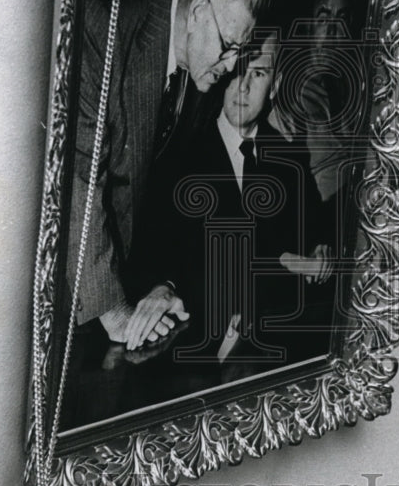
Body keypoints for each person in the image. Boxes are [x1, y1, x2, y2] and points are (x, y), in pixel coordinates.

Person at [67, 0, 271, 349]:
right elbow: (78, 184)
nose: (233, 67)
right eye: (230, 47)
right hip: (72, 297)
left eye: (241, 52)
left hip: (126, 289)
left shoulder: (201, 69)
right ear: (197, 12)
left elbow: (178, 192)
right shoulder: (102, 30)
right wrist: (115, 311)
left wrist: (165, 282)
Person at [136, 33, 334, 363]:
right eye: (237, 71)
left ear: (275, 84)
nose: (242, 86)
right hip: (192, 354)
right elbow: (153, 251)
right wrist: (161, 284)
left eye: (258, 73)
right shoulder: (179, 152)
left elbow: (316, 227)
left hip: (274, 348)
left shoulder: (290, 158)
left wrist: (320, 247)